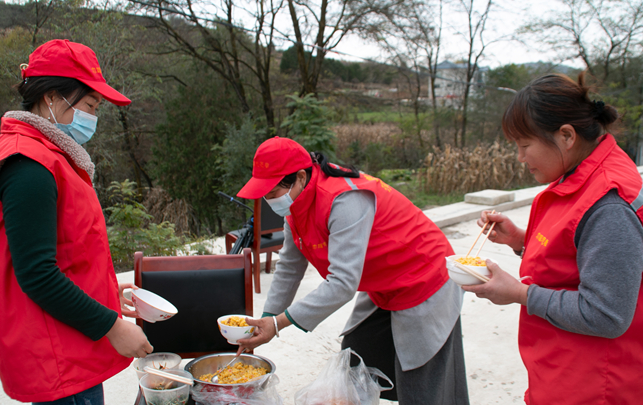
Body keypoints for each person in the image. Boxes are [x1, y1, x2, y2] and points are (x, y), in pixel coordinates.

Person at [235, 137, 469, 405]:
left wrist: (278, 323)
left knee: (420, 381)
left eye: (273, 192)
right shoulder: (295, 206)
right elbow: (289, 265)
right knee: (357, 354)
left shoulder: (344, 199)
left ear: (300, 176)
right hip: (384, 279)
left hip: (424, 274)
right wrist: (266, 320)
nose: (269, 201)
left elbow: (342, 283)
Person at [463, 73, 643, 404]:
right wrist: (519, 240)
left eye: (524, 145)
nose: (520, 157)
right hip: (563, 367)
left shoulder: (609, 205)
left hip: (595, 384)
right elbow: (576, 252)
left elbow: (607, 314)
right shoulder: (579, 175)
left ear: (566, 136)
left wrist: (518, 293)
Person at [0, 39, 153, 404]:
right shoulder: (29, 165)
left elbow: (66, 248)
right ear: (52, 97)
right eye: (89, 105)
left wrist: (103, 290)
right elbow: (37, 273)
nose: (93, 117)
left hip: (71, 347)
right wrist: (113, 327)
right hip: (57, 359)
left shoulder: (52, 153)